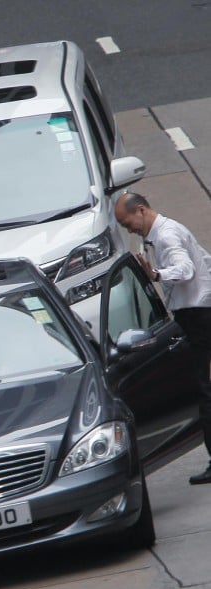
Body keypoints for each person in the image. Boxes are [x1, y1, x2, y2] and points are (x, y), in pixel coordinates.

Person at [115, 192, 211, 484]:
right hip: (197, 315)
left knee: (207, 391)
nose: (128, 227)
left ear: (140, 210)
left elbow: (185, 270)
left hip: (200, 319)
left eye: (126, 221)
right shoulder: (164, 232)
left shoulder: (167, 236)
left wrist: (156, 274)